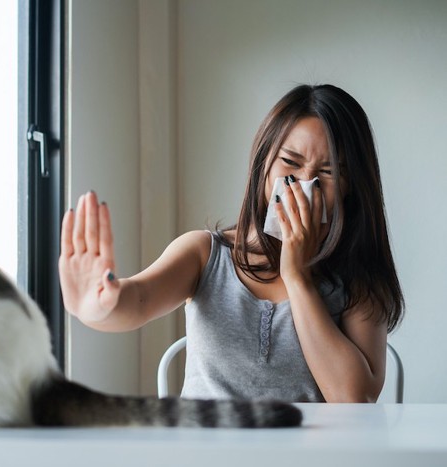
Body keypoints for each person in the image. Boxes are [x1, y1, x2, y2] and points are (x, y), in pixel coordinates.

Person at [58, 84, 404, 403]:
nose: (303, 184)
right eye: (291, 163)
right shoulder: (205, 254)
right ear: (263, 165)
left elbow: (354, 399)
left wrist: (296, 276)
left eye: (328, 173)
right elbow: (137, 300)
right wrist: (99, 306)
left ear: (350, 186)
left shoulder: (359, 278)